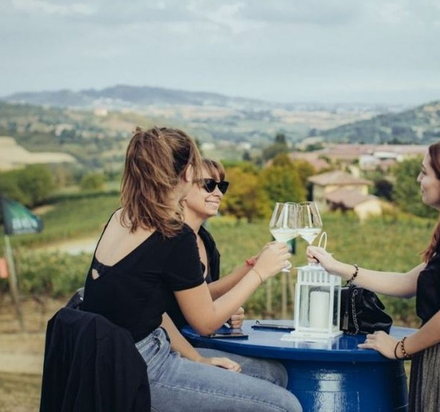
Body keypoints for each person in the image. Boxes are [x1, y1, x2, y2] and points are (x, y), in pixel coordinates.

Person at [82, 127, 302, 412]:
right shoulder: (174, 234)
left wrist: (197, 360)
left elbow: (150, 312)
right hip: (141, 368)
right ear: (187, 173)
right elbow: (206, 323)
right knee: (286, 406)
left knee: (274, 374)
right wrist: (259, 273)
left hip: (117, 356)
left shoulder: (122, 217)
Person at [308, 137, 440, 412]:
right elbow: (407, 283)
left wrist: (399, 348)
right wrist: (337, 266)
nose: (418, 179)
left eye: (425, 172)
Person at [164, 158, 288, 386]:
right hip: (173, 347)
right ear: (183, 185)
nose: (218, 193)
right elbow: (191, 310)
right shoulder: (172, 239)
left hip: (196, 340)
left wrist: (229, 306)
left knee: (276, 369)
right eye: (209, 185)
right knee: (272, 374)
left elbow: (203, 295)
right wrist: (256, 272)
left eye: (222, 186)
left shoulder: (206, 241)